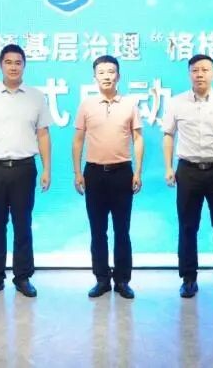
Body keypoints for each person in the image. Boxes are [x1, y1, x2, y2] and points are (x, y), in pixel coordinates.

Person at [0, 44, 52, 298]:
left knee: (23, 224)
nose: (13, 67)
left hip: (24, 168)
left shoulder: (36, 97)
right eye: (8, 62)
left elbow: (43, 134)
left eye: (18, 62)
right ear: (0, 65)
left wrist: (46, 168)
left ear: (24, 65)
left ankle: (23, 277)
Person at [162, 54, 213, 299]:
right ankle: (188, 279)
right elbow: (168, 135)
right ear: (189, 74)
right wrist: (168, 168)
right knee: (187, 227)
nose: (200, 74)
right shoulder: (176, 102)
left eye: (205, 70)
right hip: (187, 170)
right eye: (195, 70)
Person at [72, 55, 144, 299]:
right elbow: (78, 140)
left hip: (122, 172)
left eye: (111, 71)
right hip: (94, 174)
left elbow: (137, 138)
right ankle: (101, 279)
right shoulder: (86, 105)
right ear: (94, 77)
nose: (106, 76)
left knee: (122, 230)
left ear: (118, 76)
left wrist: (138, 171)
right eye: (101, 72)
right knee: (98, 231)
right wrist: (77, 172)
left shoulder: (130, 104)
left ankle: (122, 281)